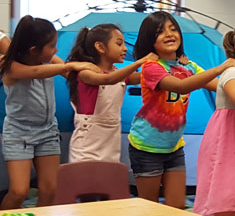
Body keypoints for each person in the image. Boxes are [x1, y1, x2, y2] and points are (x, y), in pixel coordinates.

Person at [129, 11, 235, 208]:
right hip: (146, 146)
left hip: (174, 146)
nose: (169, 34)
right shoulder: (151, 67)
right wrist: (220, 67)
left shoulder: (188, 66)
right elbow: (182, 86)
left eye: (173, 29)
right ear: (149, 40)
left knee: (177, 206)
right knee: (149, 207)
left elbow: (220, 86)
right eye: (160, 32)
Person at [0, 16, 97, 209]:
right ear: (34, 50)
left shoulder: (48, 59)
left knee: (50, 190)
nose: (56, 50)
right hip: (19, 133)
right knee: (19, 192)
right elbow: (36, 72)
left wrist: (95, 71)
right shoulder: (10, 67)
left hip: (47, 131)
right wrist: (70, 65)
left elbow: (68, 73)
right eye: (52, 46)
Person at [66, 24, 158, 162]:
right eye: (119, 44)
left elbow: (145, 76)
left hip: (111, 142)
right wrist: (140, 62)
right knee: (85, 181)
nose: (125, 48)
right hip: (86, 146)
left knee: (108, 181)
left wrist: (168, 64)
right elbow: (108, 79)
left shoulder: (118, 73)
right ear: (100, 47)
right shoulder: (86, 73)